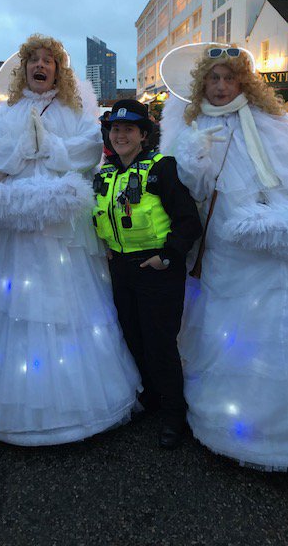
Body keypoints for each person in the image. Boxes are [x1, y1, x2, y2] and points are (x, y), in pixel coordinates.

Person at [0, 34, 141, 446]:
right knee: (15, 301)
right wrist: (25, 148)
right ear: (24, 69)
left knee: (69, 298)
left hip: (64, 227)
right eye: (34, 60)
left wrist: (51, 148)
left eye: (49, 61)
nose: (41, 66)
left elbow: (91, 148)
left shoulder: (75, 112)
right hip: (17, 230)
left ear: (59, 69)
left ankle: (77, 402)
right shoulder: (4, 113)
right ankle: (19, 404)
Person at [160, 44, 288, 472]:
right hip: (226, 240)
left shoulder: (274, 120)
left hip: (277, 233)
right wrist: (193, 157)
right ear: (202, 84)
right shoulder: (191, 125)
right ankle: (229, 417)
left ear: (242, 81)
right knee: (228, 321)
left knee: (284, 316)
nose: (222, 86)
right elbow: (185, 190)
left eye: (229, 78)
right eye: (213, 78)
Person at [93, 100, 202, 448]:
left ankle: (174, 414)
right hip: (121, 269)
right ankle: (153, 400)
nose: (121, 134)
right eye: (116, 128)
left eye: (129, 129)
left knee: (159, 343)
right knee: (132, 337)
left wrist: (167, 256)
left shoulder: (161, 168)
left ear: (143, 134)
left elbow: (189, 221)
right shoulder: (105, 173)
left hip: (156, 270)